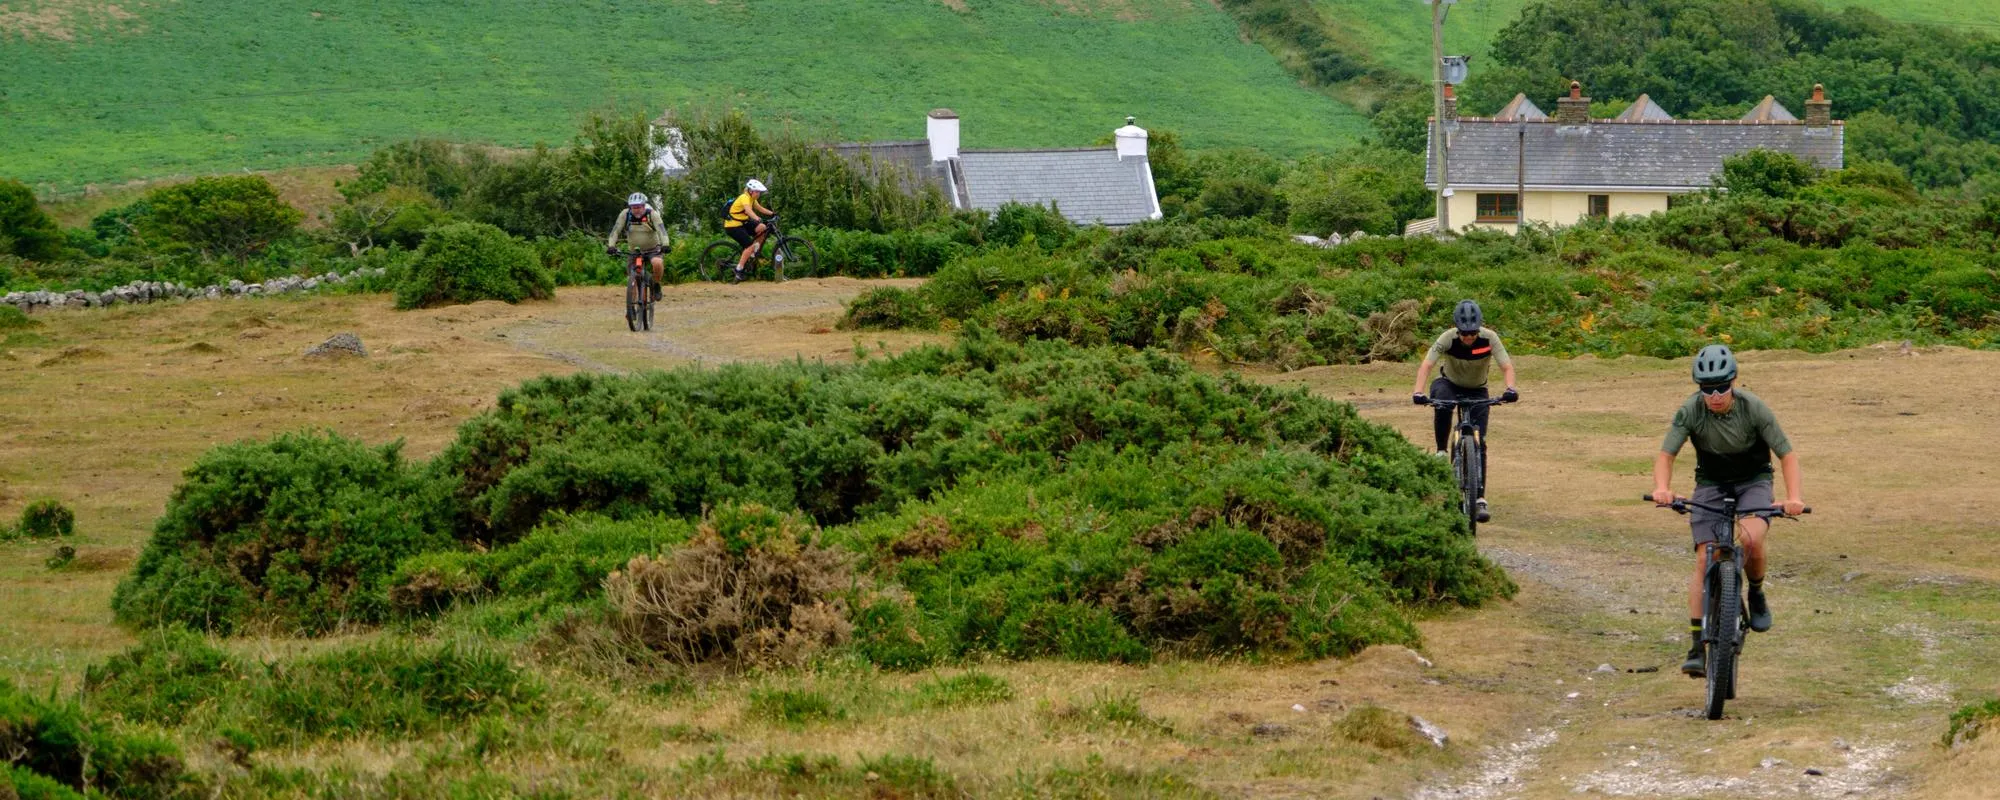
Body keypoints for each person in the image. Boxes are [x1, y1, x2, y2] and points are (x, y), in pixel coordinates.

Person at [1652, 344, 1807, 678]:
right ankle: (1696, 646)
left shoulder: (1755, 409)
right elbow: (1667, 454)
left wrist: (1794, 496)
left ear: (1734, 381)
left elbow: (1787, 455)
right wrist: (1662, 489)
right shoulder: (1691, 410)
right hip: (1711, 483)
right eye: (1707, 389)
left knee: (1751, 539)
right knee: (1703, 556)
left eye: (1722, 387)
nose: (1715, 395)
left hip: (1753, 480)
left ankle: (1756, 592)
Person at [1411, 299, 1518, 522]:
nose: (1468, 337)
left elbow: (1506, 366)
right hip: (1449, 383)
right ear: (1457, 329)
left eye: (1472, 332)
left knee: (1480, 440)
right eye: (1464, 333)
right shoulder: (1447, 338)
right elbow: (1427, 365)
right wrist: (1418, 392)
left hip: (1477, 390)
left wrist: (1510, 388)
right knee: (1442, 400)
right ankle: (1441, 451)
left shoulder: (1489, 338)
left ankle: (1479, 499)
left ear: (1478, 328)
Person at [606, 192, 669, 300]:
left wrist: (666, 244)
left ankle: (656, 285)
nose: (636, 210)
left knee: (657, 263)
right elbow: (615, 231)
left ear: (644, 206)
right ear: (630, 207)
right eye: (634, 207)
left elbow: (662, 231)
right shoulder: (625, 215)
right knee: (632, 278)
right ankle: (631, 308)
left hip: (653, 248)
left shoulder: (652, 214)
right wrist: (611, 245)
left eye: (639, 207)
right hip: (634, 250)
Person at [724, 179, 776, 283]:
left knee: (762, 227)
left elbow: (760, 208)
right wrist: (757, 218)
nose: (758, 194)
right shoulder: (744, 197)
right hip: (732, 226)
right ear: (751, 191)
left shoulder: (752, 198)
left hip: (742, 223)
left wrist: (773, 213)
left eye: (759, 192)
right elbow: (748, 210)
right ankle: (739, 270)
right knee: (749, 246)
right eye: (757, 192)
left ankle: (754, 252)